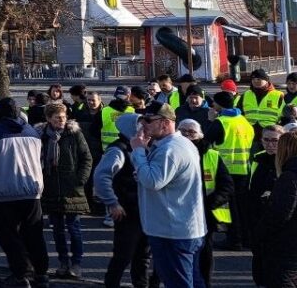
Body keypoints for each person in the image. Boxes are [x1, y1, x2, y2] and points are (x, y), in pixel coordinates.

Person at [130, 100, 206, 288]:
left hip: (173, 231)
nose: (143, 126)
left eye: (148, 120)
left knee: (179, 283)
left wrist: (138, 151)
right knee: (192, 281)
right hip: (179, 228)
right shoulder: (174, 145)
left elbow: (153, 181)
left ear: (164, 122)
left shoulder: (171, 149)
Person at [0, 97, 48, 288]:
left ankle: (20, 274)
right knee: (34, 234)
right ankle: (41, 274)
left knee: (9, 237)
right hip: (31, 191)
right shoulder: (32, 132)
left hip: (2, 192)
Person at [37, 101, 92, 280]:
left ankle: (76, 263)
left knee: (74, 228)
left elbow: (86, 158)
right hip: (51, 188)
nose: (62, 120)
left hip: (72, 188)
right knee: (57, 230)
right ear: (48, 119)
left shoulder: (74, 133)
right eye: (57, 117)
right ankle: (63, 262)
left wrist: (80, 180)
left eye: (64, 116)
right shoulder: (42, 136)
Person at [94, 113, 150, 288]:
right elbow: (101, 176)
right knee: (123, 256)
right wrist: (112, 203)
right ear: (131, 128)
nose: (146, 128)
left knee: (143, 258)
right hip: (127, 212)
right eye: (142, 125)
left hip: (144, 211)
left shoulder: (143, 147)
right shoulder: (118, 150)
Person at [177, 118, 231, 287]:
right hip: (177, 212)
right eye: (183, 131)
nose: (187, 134)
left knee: (203, 255)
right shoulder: (170, 151)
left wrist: (209, 203)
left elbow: (227, 186)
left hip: (205, 214)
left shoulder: (212, 155)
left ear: (200, 134)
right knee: (174, 253)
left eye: (191, 131)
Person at [210, 90, 253, 249]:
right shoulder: (243, 120)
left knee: (231, 208)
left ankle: (235, 240)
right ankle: (245, 238)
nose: (213, 105)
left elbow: (207, 142)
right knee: (242, 206)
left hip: (225, 169)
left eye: (214, 102)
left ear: (219, 104)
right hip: (244, 168)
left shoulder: (220, 122)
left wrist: (210, 121)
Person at [257, 131, 297, 288]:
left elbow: (281, 213)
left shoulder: (289, 177)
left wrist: (260, 234)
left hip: (288, 242)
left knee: (282, 279)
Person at [248, 124, 285, 285]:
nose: (270, 144)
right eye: (266, 140)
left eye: (274, 141)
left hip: (278, 221)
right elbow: (252, 187)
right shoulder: (258, 158)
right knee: (259, 258)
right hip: (258, 217)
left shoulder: (287, 162)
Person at [237, 68, 285, 145]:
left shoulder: (278, 95)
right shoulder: (245, 95)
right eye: (253, 79)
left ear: (266, 80)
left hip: (272, 134)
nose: (255, 81)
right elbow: (239, 113)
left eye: (258, 79)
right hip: (250, 133)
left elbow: (284, 115)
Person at [100, 86, 135, 151]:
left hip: (107, 149)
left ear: (115, 96)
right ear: (128, 96)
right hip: (127, 149)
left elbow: (93, 130)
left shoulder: (104, 110)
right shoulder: (133, 111)